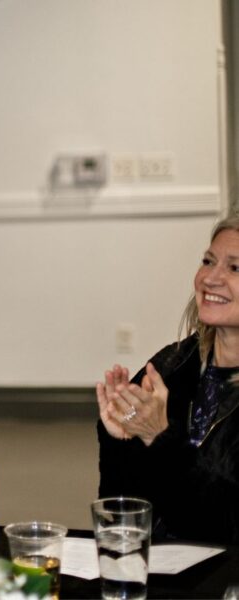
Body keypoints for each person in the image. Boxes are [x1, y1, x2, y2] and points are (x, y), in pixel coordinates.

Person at [97, 215, 239, 545]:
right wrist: (120, 439)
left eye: (235, 268)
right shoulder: (173, 365)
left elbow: (223, 527)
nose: (210, 278)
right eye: (208, 261)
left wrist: (160, 438)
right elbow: (121, 510)